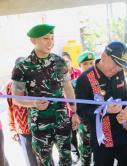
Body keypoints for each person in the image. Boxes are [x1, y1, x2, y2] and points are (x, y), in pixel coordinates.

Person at [11, 24, 80, 166]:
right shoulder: (22, 67)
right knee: (45, 162)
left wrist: (74, 112)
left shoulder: (60, 62)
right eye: (45, 38)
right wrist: (33, 103)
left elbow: (68, 88)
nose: (50, 42)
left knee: (66, 159)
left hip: (61, 121)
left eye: (52, 38)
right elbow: (16, 99)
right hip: (40, 125)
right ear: (33, 40)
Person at [75, 41, 127, 166]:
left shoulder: (119, 73)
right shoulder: (84, 79)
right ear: (103, 56)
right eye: (115, 63)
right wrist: (104, 109)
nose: (117, 69)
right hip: (102, 140)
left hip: (123, 135)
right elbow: (82, 112)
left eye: (120, 66)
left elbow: (126, 94)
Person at [6, 57, 37, 166]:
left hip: (39, 127)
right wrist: (12, 128)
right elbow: (10, 107)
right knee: (31, 161)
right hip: (23, 130)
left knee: (45, 159)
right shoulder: (10, 86)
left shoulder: (35, 82)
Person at [76, 51, 96, 165]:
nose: (89, 66)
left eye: (91, 63)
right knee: (85, 152)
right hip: (84, 125)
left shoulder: (100, 82)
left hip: (99, 124)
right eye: (85, 64)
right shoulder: (75, 83)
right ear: (79, 66)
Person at [62, 52, 81, 164]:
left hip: (78, 110)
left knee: (80, 132)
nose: (65, 64)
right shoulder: (59, 75)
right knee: (70, 134)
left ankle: (84, 152)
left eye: (67, 61)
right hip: (65, 112)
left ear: (71, 61)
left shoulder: (78, 73)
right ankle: (74, 154)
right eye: (63, 62)